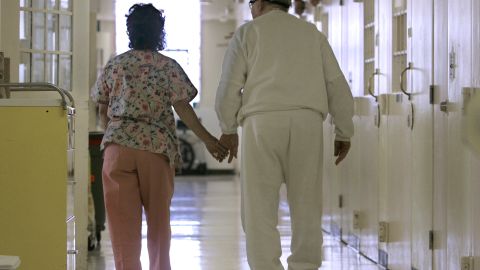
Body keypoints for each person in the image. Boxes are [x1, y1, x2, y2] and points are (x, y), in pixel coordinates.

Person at [215, 0, 354, 269]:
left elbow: (228, 87)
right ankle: (305, 265)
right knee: (307, 204)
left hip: (261, 122)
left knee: (259, 207)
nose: (250, 9)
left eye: (251, 3)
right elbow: (336, 83)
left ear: (261, 4)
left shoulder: (248, 33)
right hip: (307, 122)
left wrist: (228, 129)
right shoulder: (311, 33)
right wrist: (344, 130)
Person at [91, 4, 227, 270]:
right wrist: (209, 139)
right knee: (159, 224)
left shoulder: (115, 65)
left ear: (131, 30)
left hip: (117, 150)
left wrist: (115, 136)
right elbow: (184, 108)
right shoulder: (168, 67)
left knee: (122, 228)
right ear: (159, 32)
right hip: (155, 148)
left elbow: (102, 108)